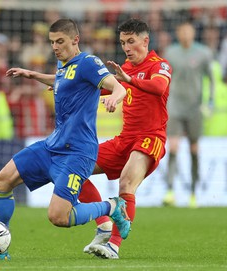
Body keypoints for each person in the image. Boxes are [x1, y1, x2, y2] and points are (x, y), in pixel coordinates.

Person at [0, 18, 129, 261]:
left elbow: (118, 87)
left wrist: (114, 98)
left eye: (60, 41)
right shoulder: (64, 64)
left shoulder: (88, 62)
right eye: (52, 42)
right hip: (52, 146)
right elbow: (62, 79)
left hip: (78, 153)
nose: (55, 47)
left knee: (59, 217)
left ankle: (113, 207)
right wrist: (32, 75)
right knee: (1, 180)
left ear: (75, 40)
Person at [77, 18, 173, 259]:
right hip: (124, 139)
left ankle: (114, 245)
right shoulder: (125, 69)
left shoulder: (159, 65)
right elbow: (97, 87)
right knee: (74, 170)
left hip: (150, 138)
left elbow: (159, 88)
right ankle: (104, 225)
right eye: (122, 43)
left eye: (131, 41)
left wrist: (129, 81)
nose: (127, 48)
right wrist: (61, 83)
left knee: (126, 184)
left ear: (145, 40)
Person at [162, 21, 215, 208]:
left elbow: (211, 78)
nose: (185, 34)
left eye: (188, 31)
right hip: (175, 106)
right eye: (182, 31)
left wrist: (210, 101)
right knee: (173, 147)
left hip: (194, 108)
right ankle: (169, 191)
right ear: (178, 33)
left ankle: (193, 193)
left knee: (194, 148)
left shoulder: (203, 53)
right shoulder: (170, 53)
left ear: (193, 33)